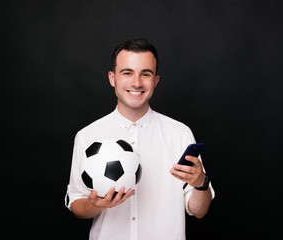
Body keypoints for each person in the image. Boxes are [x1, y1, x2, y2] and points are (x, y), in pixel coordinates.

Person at [65, 37, 215, 240]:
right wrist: (94, 205)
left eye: (146, 74)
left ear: (155, 81)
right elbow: (77, 205)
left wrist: (200, 182)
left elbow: (199, 210)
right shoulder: (87, 136)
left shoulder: (180, 133)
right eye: (127, 73)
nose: (136, 83)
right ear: (112, 78)